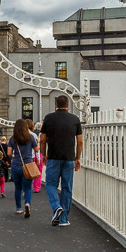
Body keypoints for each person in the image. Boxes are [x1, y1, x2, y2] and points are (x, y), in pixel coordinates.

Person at [40, 95, 82, 227]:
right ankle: (63, 219)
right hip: (69, 158)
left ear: (56, 105)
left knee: (51, 184)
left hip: (53, 157)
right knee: (66, 187)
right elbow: (80, 141)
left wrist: (44, 154)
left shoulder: (48, 118)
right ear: (68, 105)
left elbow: (42, 139)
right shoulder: (75, 119)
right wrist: (78, 158)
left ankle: (56, 206)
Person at [7, 117, 38, 219]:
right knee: (28, 188)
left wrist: (13, 158)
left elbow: (8, 153)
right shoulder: (30, 137)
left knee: (18, 188)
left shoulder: (13, 139)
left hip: (16, 165)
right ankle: (27, 204)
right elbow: (37, 149)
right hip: (28, 165)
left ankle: (18, 208)